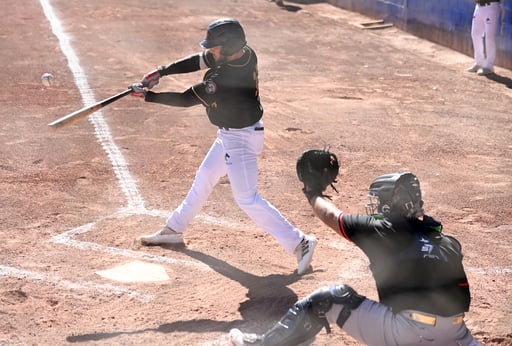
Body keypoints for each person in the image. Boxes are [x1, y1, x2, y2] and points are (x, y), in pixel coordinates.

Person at [130, 18, 317, 275]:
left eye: (216, 46)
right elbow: (199, 59)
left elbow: (186, 99)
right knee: (205, 177)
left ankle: (300, 242)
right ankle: (174, 229)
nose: (211, 51)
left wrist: (148, 96)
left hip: (240, 139)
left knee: (247, 198)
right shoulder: (244, 54)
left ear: (228, 47)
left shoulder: (224, 78)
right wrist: (162, 71)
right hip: (232, 133)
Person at [235, 171, 481, 345]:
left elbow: (332, 217)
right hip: (458, 336)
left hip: (408, 335)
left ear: (388, 204)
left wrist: (312, 192)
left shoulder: (383, 230)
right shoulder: (447, 242)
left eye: (378, 201)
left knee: (328, 299)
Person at [467, 0, 501, 76]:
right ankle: (479, 63)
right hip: (478, 6)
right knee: (475, 34)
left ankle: (489, 66)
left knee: (489, 37)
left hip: (491, 6)